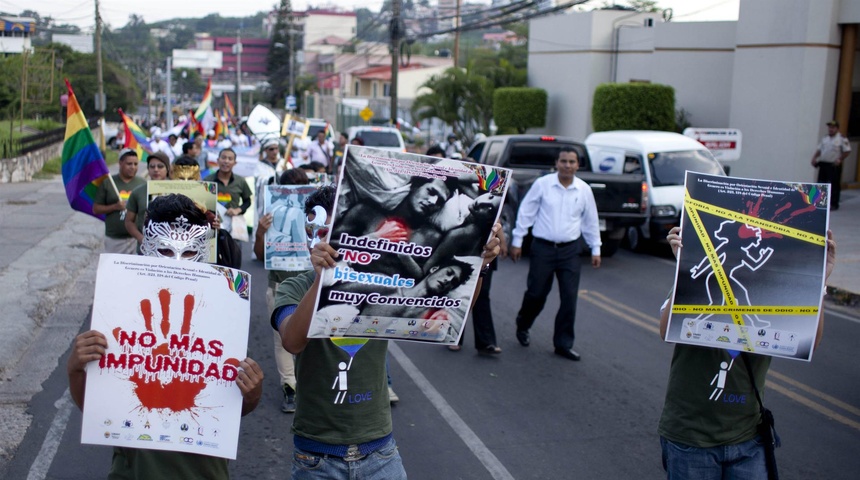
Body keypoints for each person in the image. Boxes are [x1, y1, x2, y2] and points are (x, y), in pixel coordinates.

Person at [271, 186, 501, 479]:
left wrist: (482, 262)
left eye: (334, 234)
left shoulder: (381, 281)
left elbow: (457, 310)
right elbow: (292, 341)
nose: (326, 243)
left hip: (379, 450)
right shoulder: (295, 286)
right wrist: (322, 279)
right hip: (316, 454)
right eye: (318, 234)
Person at [67, 194, 263, 479]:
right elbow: (98, 408)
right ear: (146, 247)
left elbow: (229, 406)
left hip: (203, 471)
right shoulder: (119, 307)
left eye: (188, 253)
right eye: (167, 252)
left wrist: (253, 391)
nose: (178, 264)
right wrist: (75, 368)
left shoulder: (223, 312)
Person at [657, 226, 836, 479]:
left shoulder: (766, 289)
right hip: (690, 438)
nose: (758, 243)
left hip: (748, 438)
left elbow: (808, 343)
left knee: (741, 300)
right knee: (723, 305)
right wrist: (684, 270)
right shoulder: (700, 277)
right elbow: (666, 332)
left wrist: (819, 282)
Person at [509, 147, 601, 361]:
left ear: (578, 165)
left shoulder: (584, 189)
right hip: (543, 248)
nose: (567, 165)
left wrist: (595, 248)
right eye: (564, 161)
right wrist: (517, 240)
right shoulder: (543, 185)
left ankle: (563, 344)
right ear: (556, 163)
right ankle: (523, 324)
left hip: (570, 250)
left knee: (569, 298)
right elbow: (526, 212)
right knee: (536, 294)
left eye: (572, 162)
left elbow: (590, 220)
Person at [253, 168, 311, 414]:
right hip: (280, 287)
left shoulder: (318, 218)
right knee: (283, 339)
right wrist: (260, 232)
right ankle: (290, 386)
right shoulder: (272, 216)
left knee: (313, 341)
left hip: (311, 288)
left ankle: (310, 385)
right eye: (289, 192)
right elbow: (259, 256)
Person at [93, 149, 145, 254]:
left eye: (135, 164)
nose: (133, 167)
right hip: (114, 239)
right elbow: (96, 209)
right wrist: (115, 207)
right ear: (120, 163)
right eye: (129, 164)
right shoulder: (108, 183)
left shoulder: (143, 183)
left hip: (137, 239)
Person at [125, 152, 171, 249]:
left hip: (172, 249)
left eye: (160, 166)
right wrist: (141, 238)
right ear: (148, 169)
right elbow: (129, 221)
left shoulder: (178, 191)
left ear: (167, 169)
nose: (156, 170)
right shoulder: (138, 192)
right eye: (152, 166)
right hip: (145, 250)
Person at [810, 120, 850, 210]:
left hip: (833, 165)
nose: (831, 129)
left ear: (837, 128)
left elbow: (847, 151)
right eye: (830, 127)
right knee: (821, 183)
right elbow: (819, 149)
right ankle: (819, 202)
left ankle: (833, 204)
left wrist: (840, 159)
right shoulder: (825, 138)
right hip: (823, 164)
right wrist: (814, 158)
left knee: (833, 185)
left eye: (833, 128)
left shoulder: (841, 138)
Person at [204, 148, 252, 220]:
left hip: (234, 221)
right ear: (218, 160)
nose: (226, 161)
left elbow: (247, 201)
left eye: (230, 159)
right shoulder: (208, 181)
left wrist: (238, 210)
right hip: (212, 222)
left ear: (235, 163)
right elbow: (202, 202)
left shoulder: (240, 181)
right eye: (223, 158)